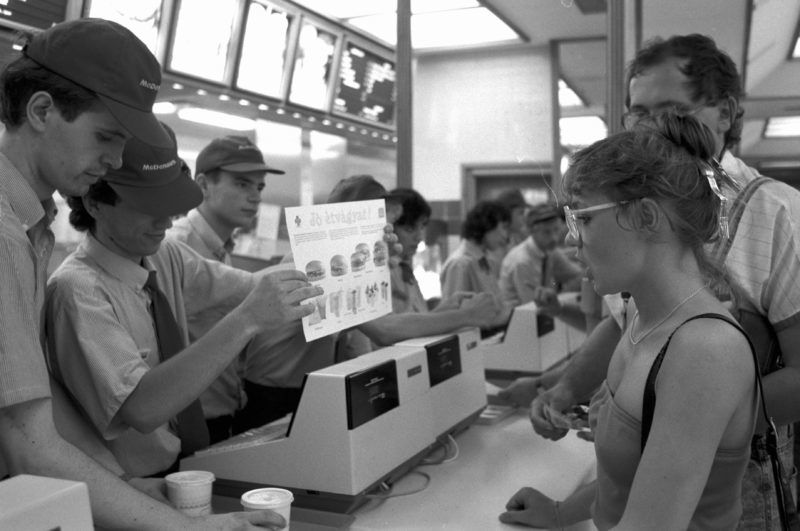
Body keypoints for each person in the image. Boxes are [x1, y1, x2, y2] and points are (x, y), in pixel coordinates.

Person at [503, 34, 800, 529]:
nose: (652, 131)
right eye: (637, 114)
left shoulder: (780, 216)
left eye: (670, 112)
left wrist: (678, 413)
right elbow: (626, 327)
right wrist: (568, 393)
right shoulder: (646, 264)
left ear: (724, 113)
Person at [0, 17, 284, 530]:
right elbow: (28, 448)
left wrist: (121, 485)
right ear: (41, 109)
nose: (112, 161)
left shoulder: (30, 228)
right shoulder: (18, 243)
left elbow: (37, 407)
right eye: (106, 136)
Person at [45, 127, 320, 481]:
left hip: (184, 459)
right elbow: (142, 408)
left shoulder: (164, 254)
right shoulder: (78, 291)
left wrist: (346, 251)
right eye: (147, 206)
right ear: (95, 202)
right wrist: (246, 319)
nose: (165, 221)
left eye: (170, 204)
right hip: (130, 483)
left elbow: (254, 286)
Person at [238, 177, 503, 429]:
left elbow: (387, 320)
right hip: (272, 396)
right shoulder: (318, 261)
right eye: (380, 221)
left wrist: (447, 310)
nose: (388, 232)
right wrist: (466, 316)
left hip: (303, 387)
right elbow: (384, 329)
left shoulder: (348, 260)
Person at [167, 135, 286, 443]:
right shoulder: (175, 247)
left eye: (259, 187)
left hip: (224, 413)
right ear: (203, 184)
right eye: (242, 184)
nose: (255, 197)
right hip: (185, 424)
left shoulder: (222, 248)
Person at [498, 202, 582, 308]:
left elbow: (578, 275)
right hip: (518, 318)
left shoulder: (549, 250)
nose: (554, 238)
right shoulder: (522, 261)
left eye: (556, 230)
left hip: (538, 312)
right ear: (532, 231)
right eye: (546, 232)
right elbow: (533, 305)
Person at [440, 199, 510, 301]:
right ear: (487, 224)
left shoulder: (483, 261)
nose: (506, 236)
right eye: (504, 227)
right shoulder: (460, 264)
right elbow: (454, 312)